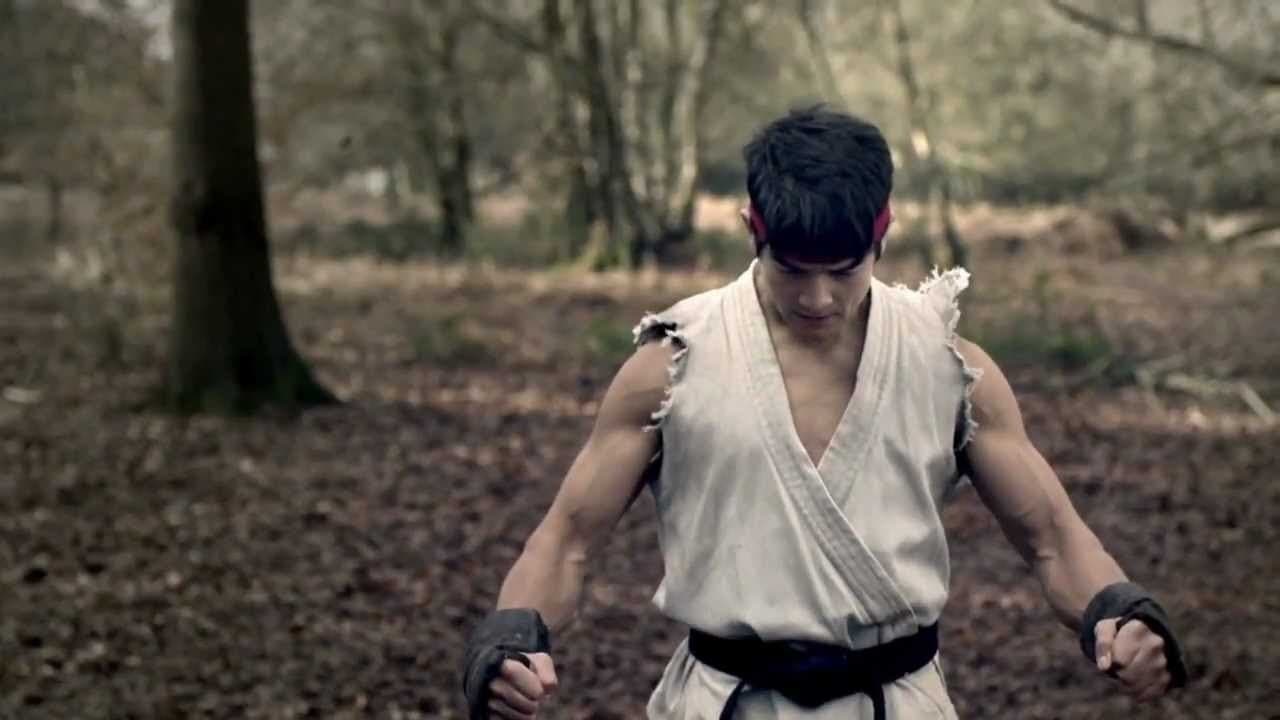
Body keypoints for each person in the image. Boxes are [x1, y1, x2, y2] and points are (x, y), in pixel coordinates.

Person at [460, 105, 1187, 719]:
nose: (817, 298)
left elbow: (1053, 538)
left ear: (882, 234)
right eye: (792, 270)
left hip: (895, 704)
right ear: (752, 228)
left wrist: (1117, 610)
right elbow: (567, 541)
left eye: (843, 271)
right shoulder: (673, 364)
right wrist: (511, 637)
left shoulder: (947, 367)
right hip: (724, 703)